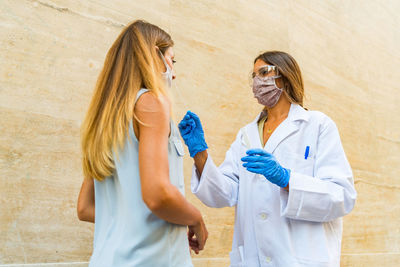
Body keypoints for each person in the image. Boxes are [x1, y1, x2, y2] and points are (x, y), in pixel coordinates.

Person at [178, 51, 357, 267]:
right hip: (255, 258)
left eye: (264, 73)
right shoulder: (246, 134)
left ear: (285, 75)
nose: (257, 82)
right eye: (253, 76)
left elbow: (342, 196)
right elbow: (223, 193)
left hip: (300, 258)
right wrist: (200, 153)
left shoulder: (317, 125)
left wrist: (287, 179)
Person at [77, 20, 207, 267]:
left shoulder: (105, 121)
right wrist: (195, 218)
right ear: (154, 55)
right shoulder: (152, 104)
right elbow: (157, 195)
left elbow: (85, 207)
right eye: (172, 60)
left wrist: (141, 220)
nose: (174, 72)